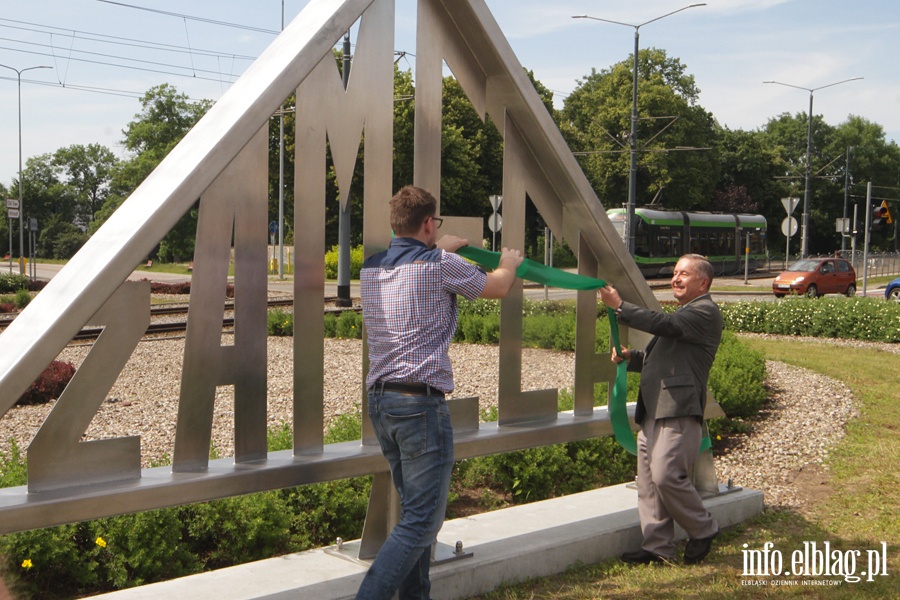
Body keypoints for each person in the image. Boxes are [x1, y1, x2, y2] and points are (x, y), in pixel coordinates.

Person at [356, 185, 524, 600]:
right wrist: (509, 262)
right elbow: (498, 286)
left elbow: (417, 260)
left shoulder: (372, 267)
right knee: (423, 522)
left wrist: (440, 249)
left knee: (412, 513)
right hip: (419, 403)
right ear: (429, 223)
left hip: (381, 402)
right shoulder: (440, 264)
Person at [598, 254, 722, 565]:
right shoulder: (687, 313)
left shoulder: (704, 311)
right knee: (649, 482)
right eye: (675, 272)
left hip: (677, 409)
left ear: (703, 282)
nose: (675, 278)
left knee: (667, 475)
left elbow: (663, 325)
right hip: (653, 408)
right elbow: (665, 358)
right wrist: (632, 357)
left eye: (684, 274)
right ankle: (657, 547)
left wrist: (619, 307)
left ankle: (703, 528)